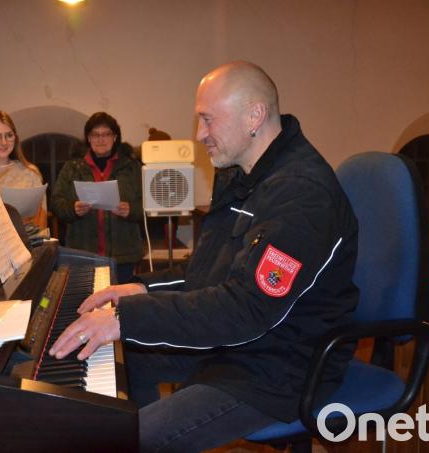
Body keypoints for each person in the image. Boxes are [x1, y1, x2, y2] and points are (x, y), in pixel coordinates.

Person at [48, 61, 360, 452]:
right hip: (241, 345)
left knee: (130, 437)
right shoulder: (243, 175)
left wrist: (126, 318)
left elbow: (247, 309)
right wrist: (138, 288)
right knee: (127, 360)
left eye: (208, 120)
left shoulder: (300, 194)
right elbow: (207, 275)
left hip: (283, 365)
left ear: (255, 115)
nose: (200, 135)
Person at [51, 112, 144, 284]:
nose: (101, 139)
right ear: (88, 138)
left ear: (115, 137)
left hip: (123, 254)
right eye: (95, 134)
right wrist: (73, 209)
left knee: (121, 304)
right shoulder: (73, 167)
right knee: (88, 304)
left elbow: (147, 204)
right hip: (83, 253)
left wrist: (131, 210)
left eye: (106, 134)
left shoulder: (131, 166)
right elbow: (56, 202)